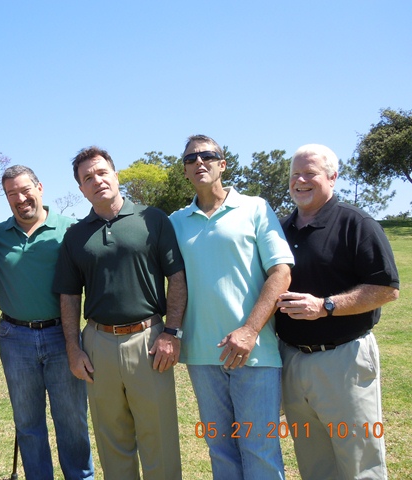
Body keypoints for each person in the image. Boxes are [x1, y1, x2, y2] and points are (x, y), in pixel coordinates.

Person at [53, 146, 187, 480]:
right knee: (112, 441)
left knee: (159, 439)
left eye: (101, 172)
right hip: (98, 345)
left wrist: (172, 332)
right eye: (87, 178)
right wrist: (73, 348)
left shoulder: (152, 219)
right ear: (81, 189)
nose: (96, 180)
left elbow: (176, 277)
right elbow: (69, 296)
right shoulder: (75, 236)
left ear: (115, 175)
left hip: (149, 341)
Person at [168, 134, 293, 479]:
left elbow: (281, 272)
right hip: (201, 356)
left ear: (222, 164)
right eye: (190, 159)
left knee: (260, 450)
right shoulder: (176, 222)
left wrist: (250, 330)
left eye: (207, 156)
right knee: (220, 451)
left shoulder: (255, 208)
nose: (199, 162)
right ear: (185, 171)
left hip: (255, 353)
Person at [275, 144, 399, 480]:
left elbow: (386, 289)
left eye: (310, 173)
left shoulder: (356, 223)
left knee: (360, 463)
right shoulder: (280, 230)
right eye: (295, 174)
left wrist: (325, 306)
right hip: (292, 360)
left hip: (343, 360)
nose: (300, 180)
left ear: (332, 177)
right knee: (314, 463)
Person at [0, 165, 94, 480]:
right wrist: (17, 295)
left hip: (63, 336)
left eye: (25, 190)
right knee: (27, 422)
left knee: (72, 420)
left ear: (40, 188)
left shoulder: (70, 230)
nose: (20, 199)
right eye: (11, 194)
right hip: (15, 337)